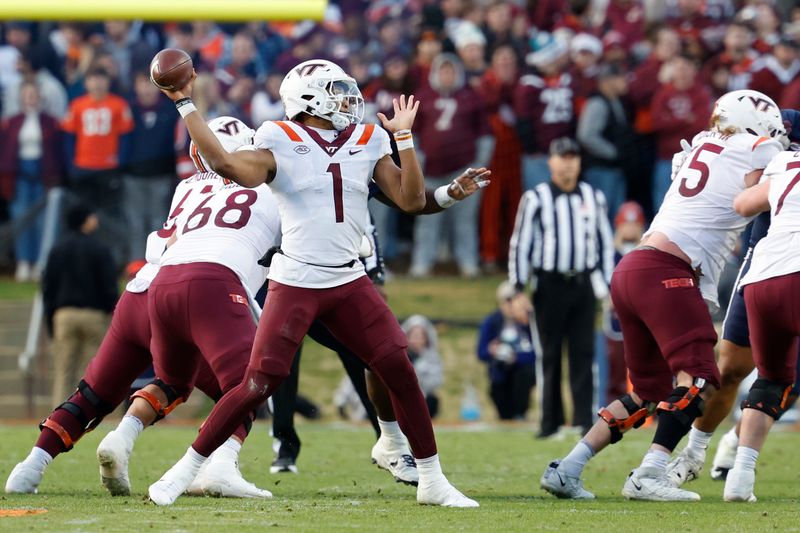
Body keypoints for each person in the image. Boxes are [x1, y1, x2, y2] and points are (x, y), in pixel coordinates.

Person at [148, 59, 488, 508]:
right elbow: (226, 163)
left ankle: (432, 480)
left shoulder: (367, 138)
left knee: (399, 368)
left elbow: (408, 199)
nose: (350, 98)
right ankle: (184, 469)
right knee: (258, 384)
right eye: (337, 89)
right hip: (296, 280)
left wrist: (405, 140)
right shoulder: (279, 138)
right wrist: (186, 103)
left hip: (350, 277)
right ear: (308, 99)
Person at [539, 89, 787, 502]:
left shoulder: (698, 147)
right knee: (701, 377)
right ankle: (650, 474)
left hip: (634, 268)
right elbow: (754, 197)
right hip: (668, 272)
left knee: (646, 391)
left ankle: (568, 468)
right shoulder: (758, 147)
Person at [5, 119, 267, 498]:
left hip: (144, 290)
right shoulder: (266, 189)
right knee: (242, 388)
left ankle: (33, 464)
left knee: (95, 394)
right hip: (204, 293)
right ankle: (221, 463)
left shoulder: (187, 187)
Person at [666, 110, 800, 488]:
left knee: (786, 380)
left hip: (773, 275)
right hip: (765, 261)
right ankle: (692, 451)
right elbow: (731, 174)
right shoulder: (782, 128)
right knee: (731, 370)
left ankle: (734, 448)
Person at [508, 137, 614, 438]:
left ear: (579, 162)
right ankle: (549, 422)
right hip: (549, 284)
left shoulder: (594, 197)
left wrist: (607, 288)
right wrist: (518, 288)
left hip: (582, 284)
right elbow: (521, 244)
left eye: (573, 157)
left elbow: (604, 244)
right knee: (549, 355)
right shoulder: (536, 198)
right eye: (562, 157)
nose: (568, 163)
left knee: (583, 353)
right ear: (550, 162)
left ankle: (584, 421)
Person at [720, 143, 800, 501]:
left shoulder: (785, 161)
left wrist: (754, 176)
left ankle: (741, 476)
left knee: (771, 381)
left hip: (761, 280)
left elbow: (742, 205)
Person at [409, 53, 493, 278]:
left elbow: (485, 134)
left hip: (463, 169)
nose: (447, 75)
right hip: (431, 170)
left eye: (451, 71)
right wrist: (417, 160)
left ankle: (468, 263)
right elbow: (412, 132)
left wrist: (478, 165)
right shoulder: (423, 97)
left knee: (464, 221)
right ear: (436, 73)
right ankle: (422, 263)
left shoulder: (471, 97)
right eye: (443, 71)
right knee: (428, 220)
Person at [43, 203, 117, 407]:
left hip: (64, 315)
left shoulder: (57, 249)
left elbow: (48, 287)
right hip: (94, 316)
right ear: (85, 220)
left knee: (64, 370)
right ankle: (94, 413)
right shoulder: (100, 249)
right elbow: (109, 285)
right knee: (96, 371)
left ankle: (58, 418)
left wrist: (51, 321)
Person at [0, 81, 63, 282]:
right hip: (19, 174)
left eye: (34, 94)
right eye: (27, 94)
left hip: (43, 174)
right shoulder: (12, 121)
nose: (31, 98)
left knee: (42, 220)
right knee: (21, 217)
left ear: (40, 97)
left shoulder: (50, 121)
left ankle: (40, 262)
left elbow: (56, 151)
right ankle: (23, 262)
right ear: (21, 97)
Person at [123, 71, 177, 261]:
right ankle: (136, 262)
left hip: (160, 174)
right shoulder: (129, 110)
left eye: (150, 84)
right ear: (136, 86)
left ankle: (155, 261)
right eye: (142, 83)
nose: (146, 89)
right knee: (135, 221)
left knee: (158, 220)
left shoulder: (169, 111)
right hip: (134, 175)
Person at [576, 63, 635, 222]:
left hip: (613, 169)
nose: (625, 82)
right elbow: (586, 135)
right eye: (621, 78)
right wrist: (613, 153)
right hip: (601, 169)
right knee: (602, 215)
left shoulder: (615, 101)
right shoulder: (597, 103)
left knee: (614, 216)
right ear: (608, 81)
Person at [603, 201, 646, 405]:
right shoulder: (609, 254)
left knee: (645, 365)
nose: (630, 228)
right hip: (616, 318)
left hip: (642, 317)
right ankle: (613, 407)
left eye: (634, 224)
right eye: (626, 224)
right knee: (616, 367)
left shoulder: (646, 252)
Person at [477, 281, 536, 420]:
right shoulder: (492, 322)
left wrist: (517, 358)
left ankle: (520, 413)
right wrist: (492, 350)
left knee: (523, 375)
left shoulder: (530, 323)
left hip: (522, 372)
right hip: (500, 372)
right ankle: (505, 416)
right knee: (498, 390)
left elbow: (538, 353)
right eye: (508, 300)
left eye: (515, 300)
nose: (511, 305)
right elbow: (481, 352)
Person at [402, 315, 443, 418]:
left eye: (420, 337)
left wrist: (420, 369)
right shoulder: (401, 356)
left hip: (424, 397)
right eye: (413, 336)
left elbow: (437, 380)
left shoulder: (432, 357)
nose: (416, 340)